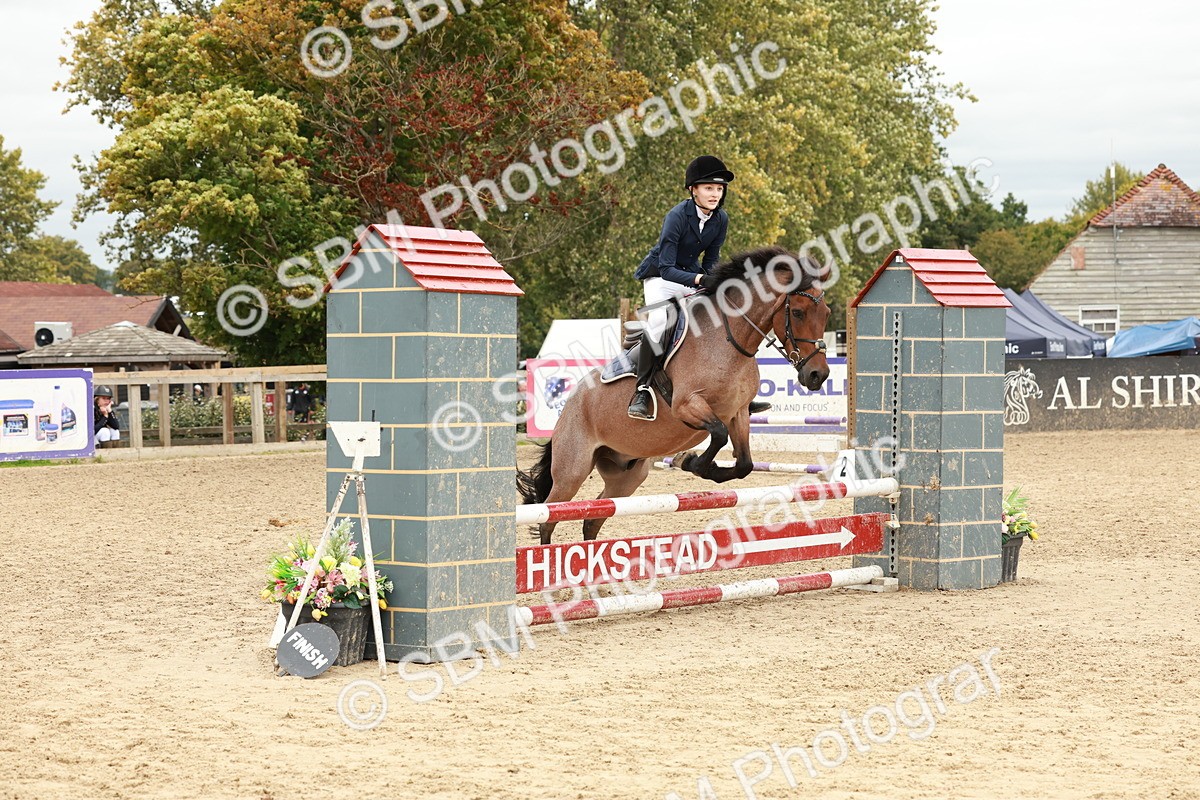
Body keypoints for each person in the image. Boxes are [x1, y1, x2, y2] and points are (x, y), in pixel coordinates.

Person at [628, 155, 769, 420]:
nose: (715, 194)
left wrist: (715, 280)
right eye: (708, 188)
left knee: (725, 314)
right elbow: (668, 268)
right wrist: (701, 281)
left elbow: (712, 259)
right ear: (693, 190)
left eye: (719, 189)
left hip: (692, 277)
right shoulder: (676, 217)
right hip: (661, 279)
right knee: (660, 321)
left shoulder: (720, 219)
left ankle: (739, 392)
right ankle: (642, 389)